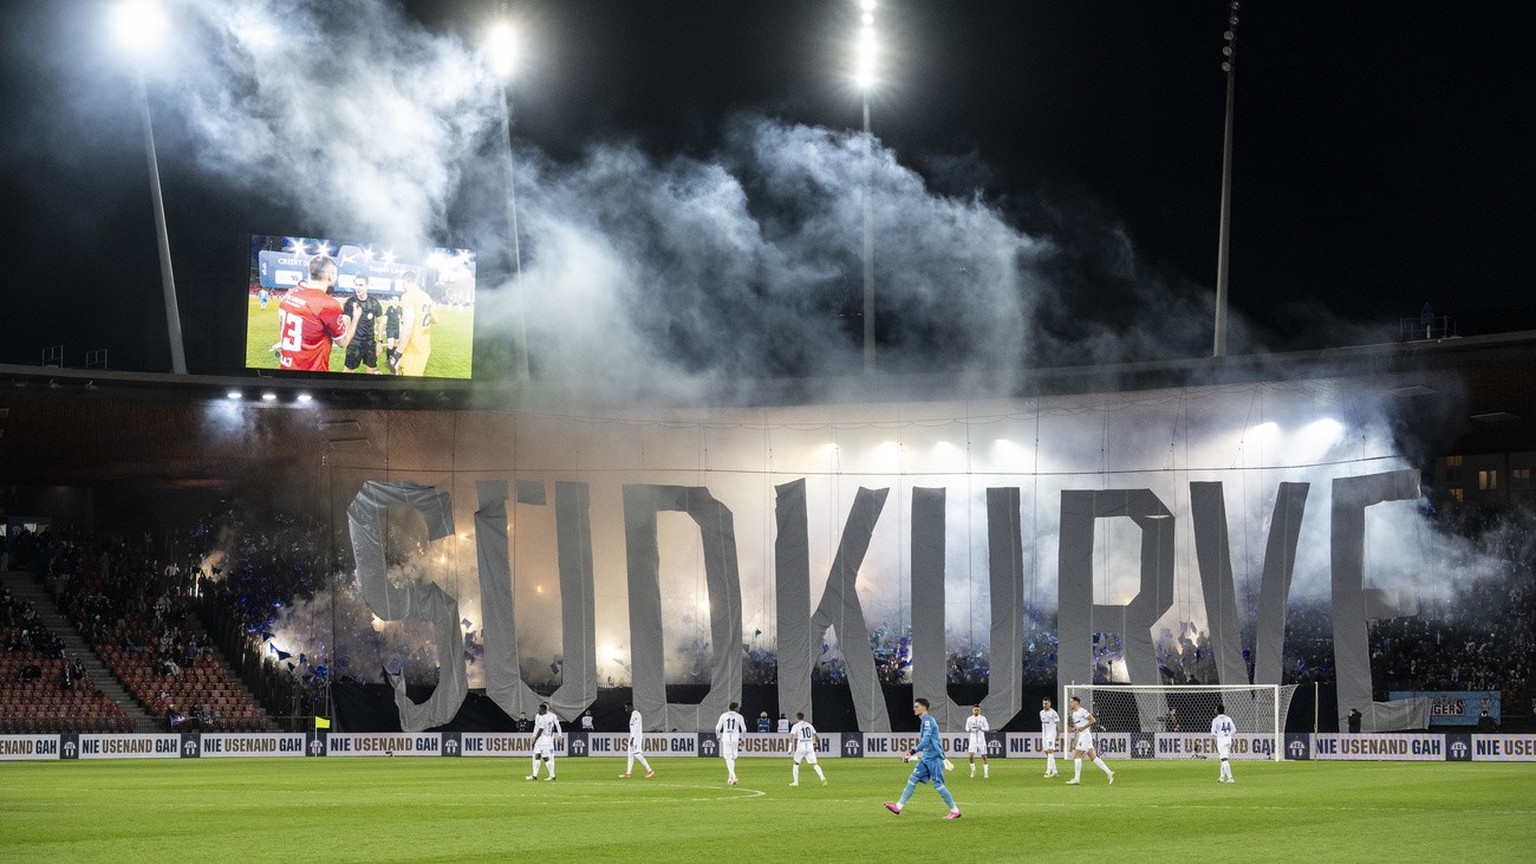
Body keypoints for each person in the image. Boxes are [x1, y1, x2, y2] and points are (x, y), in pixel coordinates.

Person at [274, 255, 359, 371]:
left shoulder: (290, 293)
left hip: (285, 368)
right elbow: (343, 342)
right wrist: (356, 318)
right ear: (330, 276)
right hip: (312, 373)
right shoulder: (328, 304)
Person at [883, 698, 962, 819]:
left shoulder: (928, 721)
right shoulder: (924, 721)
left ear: (924, 708)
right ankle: (898, 806)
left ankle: (955, 810)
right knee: (913, 779)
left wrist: (911, 752)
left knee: (938, 785)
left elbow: (925, 741)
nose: (914, 709)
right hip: (926, 757)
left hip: (934, 758)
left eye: (916, 706)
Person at [1064, 695, 1114, 785]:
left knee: (1077, 756)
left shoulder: (1082, 711)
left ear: (1076, 702)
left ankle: (1076, 779)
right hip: (1084, 736)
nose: (1070, 703)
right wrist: (1074, 729)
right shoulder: (1074, 714)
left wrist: (1083, 728)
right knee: (1093, 758)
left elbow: (1092, 720)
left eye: (1071, 702)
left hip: (1085, 736)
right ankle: (1109, 772)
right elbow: (1079, 727)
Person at [341, 277, 384, 374]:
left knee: (370, 372)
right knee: (347, 372)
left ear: (367, 286)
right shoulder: (350, 303)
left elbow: (380, 322)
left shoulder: (374, 302)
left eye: (361, 285)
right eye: (356, 285)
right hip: (354, 344)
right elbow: (345, 322)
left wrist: (380, 342)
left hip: (370, 343)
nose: (358, 288)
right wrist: (346, 318)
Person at [395, 270, 434, 376]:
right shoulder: (426, 296)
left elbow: (407, 328)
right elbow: (435, 319)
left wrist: (398, 351)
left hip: (412, 348)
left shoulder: (407, 296)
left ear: (405, 281)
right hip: (425, 347)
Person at [788, 711, 826, 786]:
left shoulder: (796, 726)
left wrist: (789, 748)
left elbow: (791, 737)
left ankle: (796, 782)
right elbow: (817, 736)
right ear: (803, 717)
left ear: (796, 718)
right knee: (815, 764)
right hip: (809, 746)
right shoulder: (809, 725)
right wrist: (814, 742)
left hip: (801, 746)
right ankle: (822, 777)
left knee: (796, 763)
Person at [715, 701, 748, 785]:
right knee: (732, 757)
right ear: (735, 708)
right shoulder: (739, 717)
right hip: (734, 738)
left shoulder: (723, 715)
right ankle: (731, 778)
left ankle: (732, 777)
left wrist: (718, 736)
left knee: (728, 757)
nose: (739, 709)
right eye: (738, 707)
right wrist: (743, 739)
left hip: (726, 738)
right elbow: (744, 729)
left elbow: (717, 728)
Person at [527, 702, 560, 781]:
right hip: (544, 739)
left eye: (539, 709)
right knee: (537, 756)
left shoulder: (543, 718)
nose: (538, 710)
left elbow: (540, 730)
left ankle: (552, 776)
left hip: (544, 741)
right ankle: (534, 775)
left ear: (544, 710)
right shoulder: (547, 717)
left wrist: (534, 740)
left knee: (545, 757)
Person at [620, 702, 654, 778]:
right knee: (630, 754)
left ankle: (649, 770)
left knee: (637, 754)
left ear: (630, 707)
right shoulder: (633, 715)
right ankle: (628, 772)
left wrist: (632, 738)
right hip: (633, 737)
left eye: (626, 708)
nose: (626, 710)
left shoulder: (636, 714)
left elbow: (636, 727)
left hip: (636, 737)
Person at [1210, 703, 1237, 784]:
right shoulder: (1228, 718)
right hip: (1228, 740)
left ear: (1217, 711)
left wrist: (1220, 735)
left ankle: (1230, 778)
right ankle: (1221, 777)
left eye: (1216, 709)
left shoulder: (1215, 720)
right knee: (1223, 758)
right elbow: (1234, 730)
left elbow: (1213, 733)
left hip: (1221, 741)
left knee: (1224, 759)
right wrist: (1228, 735)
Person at [964, 704, 990, 778]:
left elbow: (987, 728)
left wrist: (981, 728)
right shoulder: (969, 719)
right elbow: (966, 728)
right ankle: (973, 770)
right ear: (972, 710)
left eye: (978, 710)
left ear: (980, 710)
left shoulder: (983, 718)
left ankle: (986, 773)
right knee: (970, 756)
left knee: (984, 756)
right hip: (973, 740)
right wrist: (969, 730)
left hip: (981, 740)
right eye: (975, 710)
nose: (976, 711)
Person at [1040, 697, 1061, 778]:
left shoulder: (1053, 713)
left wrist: (1057, 735)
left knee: (1050, 751)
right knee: (1047, 752)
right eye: (1043, 703)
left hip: (1051, 734)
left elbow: (1058, 724)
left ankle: (1048, 771)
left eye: (1046, 703)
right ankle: (1055, 771)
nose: (1044, 705)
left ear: (1050, 703)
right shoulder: (1041, 712)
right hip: (1044, 735)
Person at [383, 297, 403, 373]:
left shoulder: (400, 309)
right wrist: (385, 325)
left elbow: (401, 319)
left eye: (397, 300)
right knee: (390, 344)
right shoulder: (389, 308)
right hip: (390, 328)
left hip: (397, 329)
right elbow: (385, 318)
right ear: (392, 301)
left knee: (396, 345)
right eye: (394, 300)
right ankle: (388, 360)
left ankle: (393, 360)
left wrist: (402, 327)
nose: (396, 301)